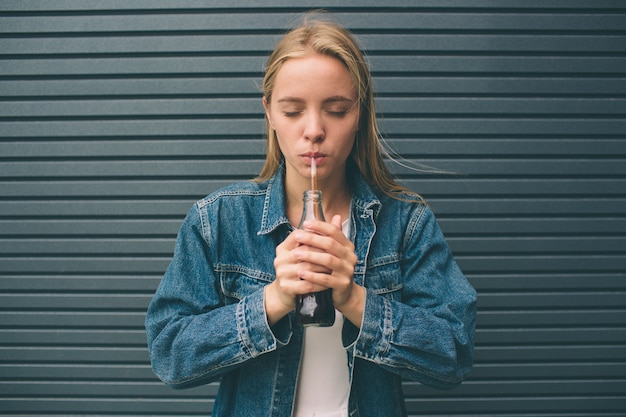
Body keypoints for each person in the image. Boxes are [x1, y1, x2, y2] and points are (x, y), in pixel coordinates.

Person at [145, 13, 477, 417]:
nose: (314, 130)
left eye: (336, 110)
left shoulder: (406, 223)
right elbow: (169, 356)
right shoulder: (217, 220)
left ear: (360, 114)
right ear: (268, 113)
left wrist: (355, 299)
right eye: (292, 111)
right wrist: (274, 299)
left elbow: (453, 354)